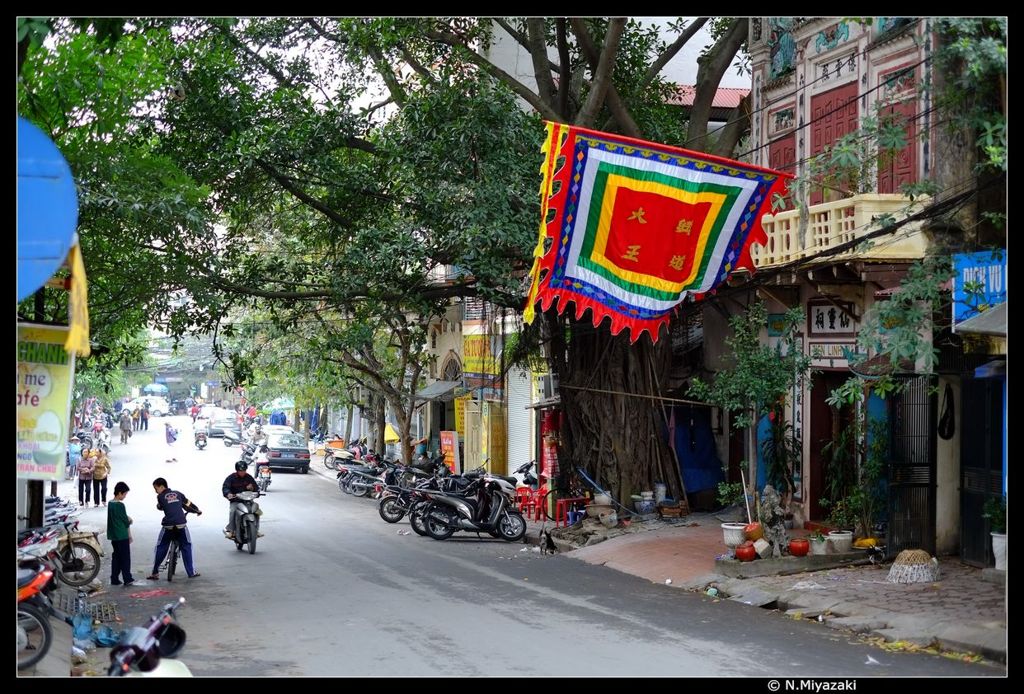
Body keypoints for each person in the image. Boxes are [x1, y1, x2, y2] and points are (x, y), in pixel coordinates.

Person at [147, 478, 202, 580]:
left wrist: (160, 506)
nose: (155, 491)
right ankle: (191, 572)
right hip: (181, 525)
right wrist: (197, 511)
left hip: (168, 526)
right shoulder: (178, 494)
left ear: (162, 487)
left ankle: (155, 573)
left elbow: (160, 506)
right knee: (187, 545)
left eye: (156, 488)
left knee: (161, 546)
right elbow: (188, 505)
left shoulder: (160, 496)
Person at [222, 461, 264, 539]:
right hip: (236, 501)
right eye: (241, 471)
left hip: (248, 501)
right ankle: (231, 531)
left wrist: (254, 489)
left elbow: (256, 488)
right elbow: (225, 488)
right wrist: (228, 494)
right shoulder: (231, 478)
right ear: (237, 470)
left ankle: (256, 530)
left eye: (244, 470)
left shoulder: (249, 477)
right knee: (233, 511)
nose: (242, 472)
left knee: (257, 510)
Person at [107, 482, 136, 586]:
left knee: (116, 557)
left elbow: (117, 517)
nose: (124, 497)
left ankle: (114, 578)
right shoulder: (120, 505)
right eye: (124, 494)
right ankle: (127, 578)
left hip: (114, 536)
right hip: (122, 535)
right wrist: (130, 522)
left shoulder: (110, 504)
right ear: (119, 493)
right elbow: (125, 521)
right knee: (125, 558)